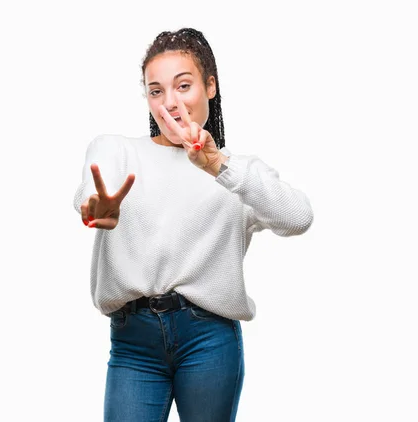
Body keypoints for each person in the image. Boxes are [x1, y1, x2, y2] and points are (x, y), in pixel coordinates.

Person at [73, 27, 314, 422]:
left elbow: (299, 217)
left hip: (209, 340)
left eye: (183, 86)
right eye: (156, 91)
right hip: (134, 341)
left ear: (210, 86)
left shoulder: (238, 173)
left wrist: (217, 166)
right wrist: (98, 208)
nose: (170, 102)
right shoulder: (115, 149)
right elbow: (91, 194)